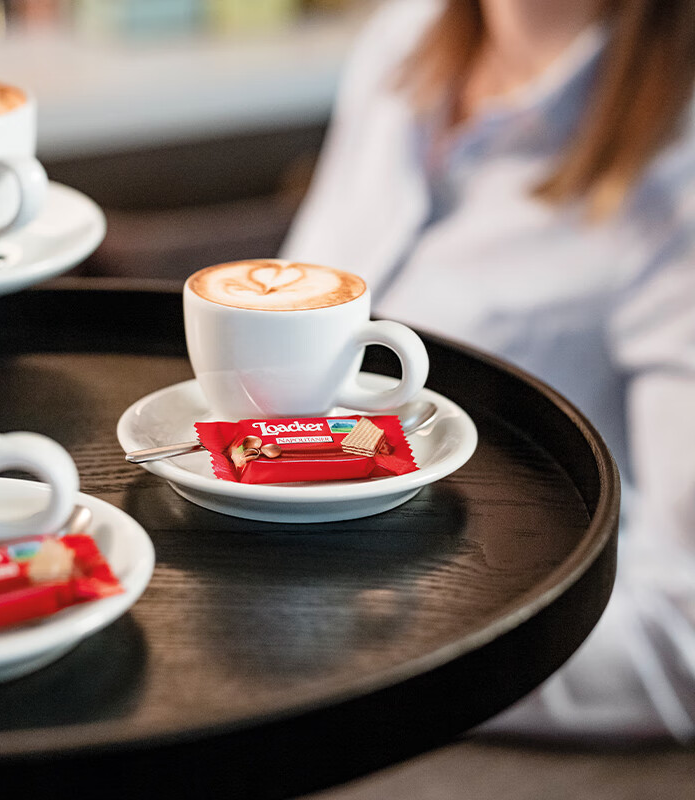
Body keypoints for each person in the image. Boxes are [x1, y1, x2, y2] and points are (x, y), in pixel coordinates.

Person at [281, 0, 695, 743]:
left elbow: (684, 636)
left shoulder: (678, 172)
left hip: (431, 690)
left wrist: (360, 640)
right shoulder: (401, 42)